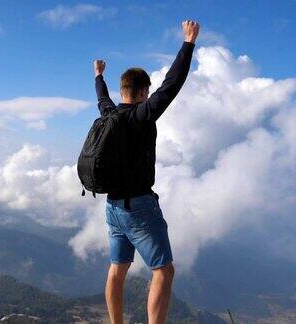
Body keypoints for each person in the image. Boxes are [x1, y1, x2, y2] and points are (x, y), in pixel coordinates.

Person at [93, 20, 200, 324]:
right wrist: (188, 44)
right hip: (139, 207)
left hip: (112, 207)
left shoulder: (109, 115)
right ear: (142, 92)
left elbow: (102, 98)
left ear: (122, 90)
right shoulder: (143, 115)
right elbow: (172, 84)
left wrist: (99, 76)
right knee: (163, 270)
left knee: (117, 268)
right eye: (147, 92)